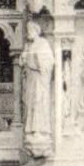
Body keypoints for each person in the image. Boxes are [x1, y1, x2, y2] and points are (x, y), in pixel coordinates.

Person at [21, 21, 54, 151]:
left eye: (30, 30)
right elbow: (22, 62)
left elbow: (50, 61)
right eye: (27, 30)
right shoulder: (29, 45)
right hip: (31, 77)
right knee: (30, 103)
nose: (28, 33)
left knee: (39, 102)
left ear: (36, 31)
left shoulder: (43, 43)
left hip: (40, 78)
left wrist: (39, 61)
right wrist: (24, 57)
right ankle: (31, 130)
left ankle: (40, 131)